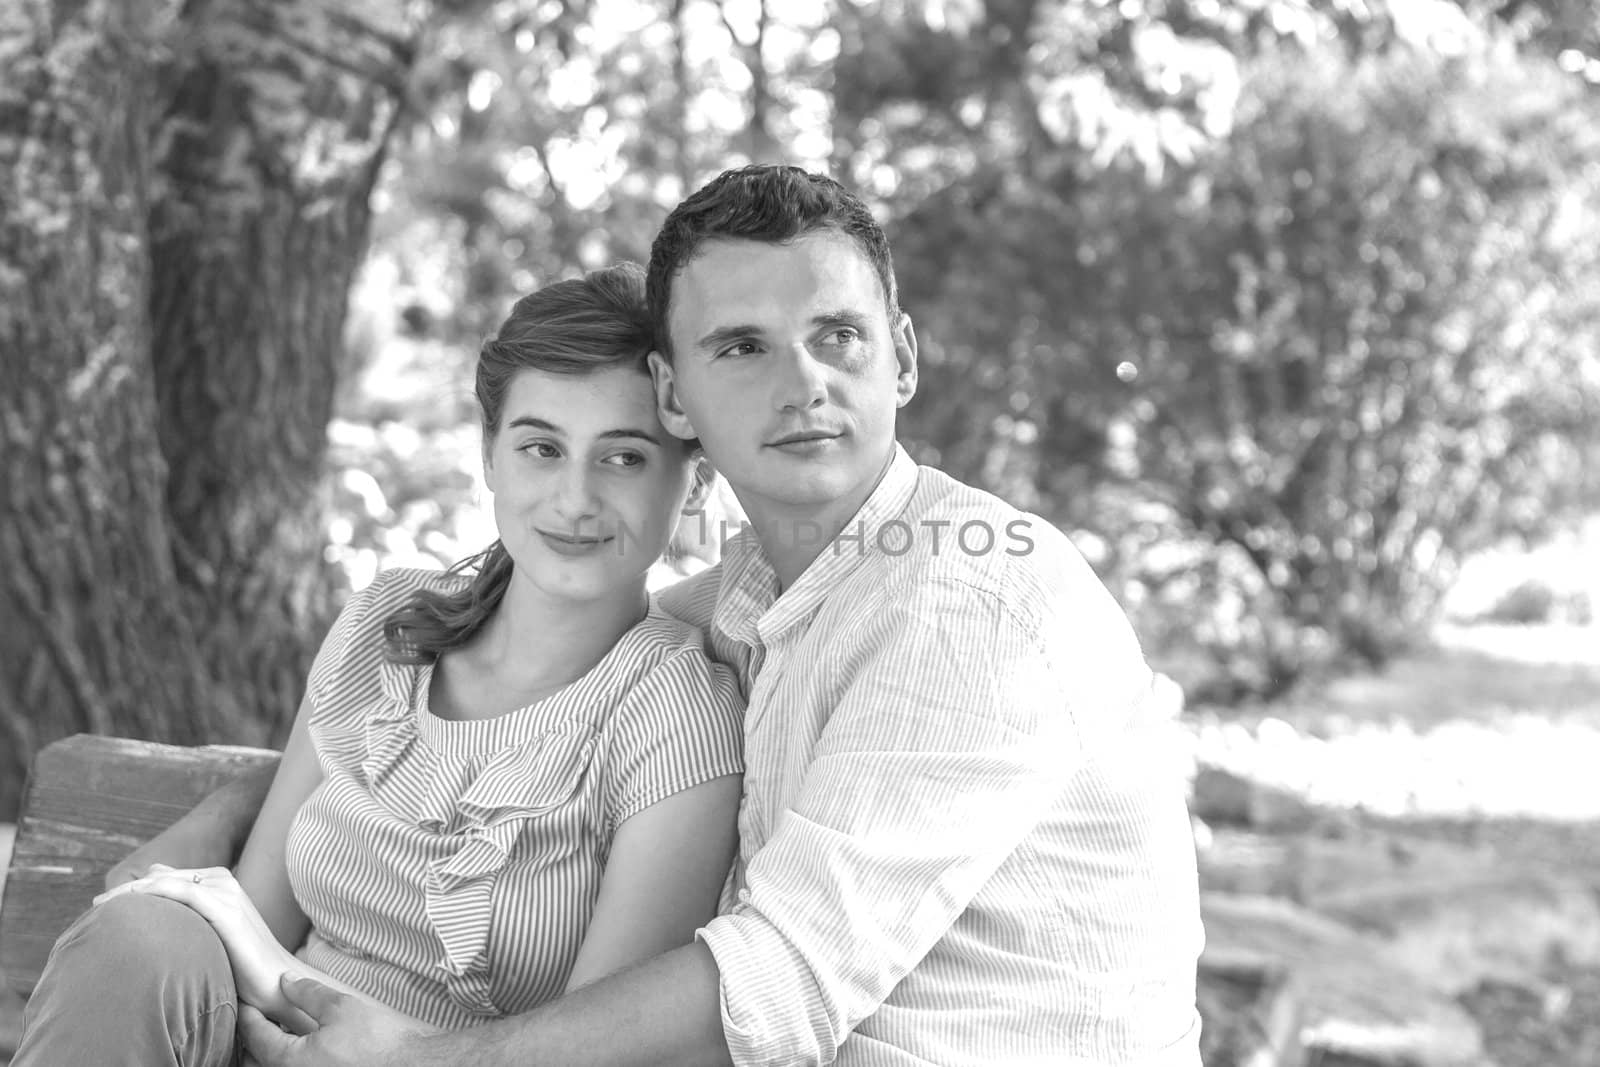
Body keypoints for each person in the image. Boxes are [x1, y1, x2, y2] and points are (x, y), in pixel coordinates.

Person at [123, 164, 1205, 1066]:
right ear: (677, 392)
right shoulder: (753, 591)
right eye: (742, 345)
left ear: (903, 358)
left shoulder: (972, 594)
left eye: (839, 336)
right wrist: (227, 825)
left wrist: (426, 1057)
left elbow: (786, 974)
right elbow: (475, 679)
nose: (804, 383)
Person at [11, 263, 745, 1065]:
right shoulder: (387, 624)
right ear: (491, 457)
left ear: (696, 483)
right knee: (140, 937)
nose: (574, 498)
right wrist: (214, 840)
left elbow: (596, 1051)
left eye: (625, 457)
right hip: (248, 1043)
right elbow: (246, 924)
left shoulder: (678, 716)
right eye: (541, 446)